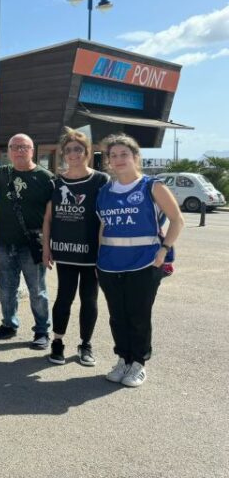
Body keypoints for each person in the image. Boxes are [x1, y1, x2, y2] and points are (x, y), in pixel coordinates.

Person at [96, 133, 183, 387]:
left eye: (124, 154)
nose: (118, 159)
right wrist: (98, 260)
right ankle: (123, 359)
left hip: (144, 263)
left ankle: (138, 363)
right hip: (109, 264)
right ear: (108, 161)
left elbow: (177, 220)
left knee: (139, 315)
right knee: (117, 315)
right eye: (113, 155)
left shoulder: (152, 186)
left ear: (135, 157)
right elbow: (102, 228)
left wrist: (163, 250)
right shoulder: (104, 192)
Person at [42, 128, 109, 365]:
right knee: (64, 297)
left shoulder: (101, 180)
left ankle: (85, 344)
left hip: (92, 253)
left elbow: (105, 219)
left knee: (89, 299)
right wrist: (46, 248)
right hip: (65, 251)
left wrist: (104, 252)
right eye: (68, 150)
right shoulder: (55, 182)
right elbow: (48, 219)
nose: (73, 154)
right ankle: (57, 342)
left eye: (78, 149)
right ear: (63, 154)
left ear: (87, 152)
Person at [0, 133, 54, 348]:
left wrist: (49, 245)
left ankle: (42, 330)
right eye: (14, 147)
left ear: (32, 151)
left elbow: (53, 215)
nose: (19, 150)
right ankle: (9, 324)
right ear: (8, 151)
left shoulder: (46, 177)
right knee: (6, 289)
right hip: (3, 242)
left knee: (37, 291)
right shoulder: (0, 174)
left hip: (32, 245)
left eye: (24, 147)